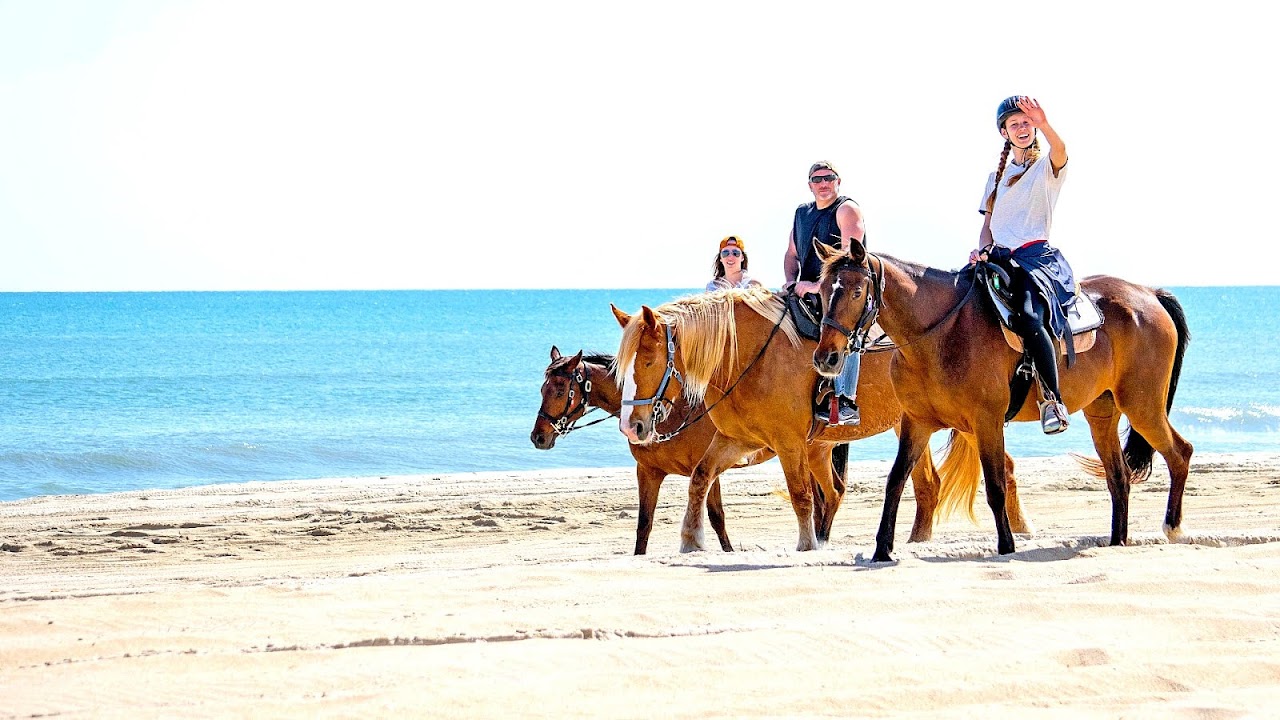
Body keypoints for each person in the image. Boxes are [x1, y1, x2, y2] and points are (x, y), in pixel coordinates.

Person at [969, 95, 1075, 435]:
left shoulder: (1045, 167)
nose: (1022, 128)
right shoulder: (994, 178)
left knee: (1028, 318)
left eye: (1026, 122)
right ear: (1004, 132)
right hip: (998, 258)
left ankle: (1052, 401)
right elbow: (988, 226)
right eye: (1015, 124)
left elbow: (1061, 152)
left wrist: (1045, 123)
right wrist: (982, 250)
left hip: (1034, 258)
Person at [782, 161, 866, 426]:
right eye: (817, 180)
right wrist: (789, 281)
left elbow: (848, 258)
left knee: (843, 327)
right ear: (810, 185)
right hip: (805, 289)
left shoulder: (846, 209)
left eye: (828, 178)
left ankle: (846, 400)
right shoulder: (801, 213)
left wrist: (817, 287)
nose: (823, 183)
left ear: (838, 181)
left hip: (843, 291)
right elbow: (791, 254)